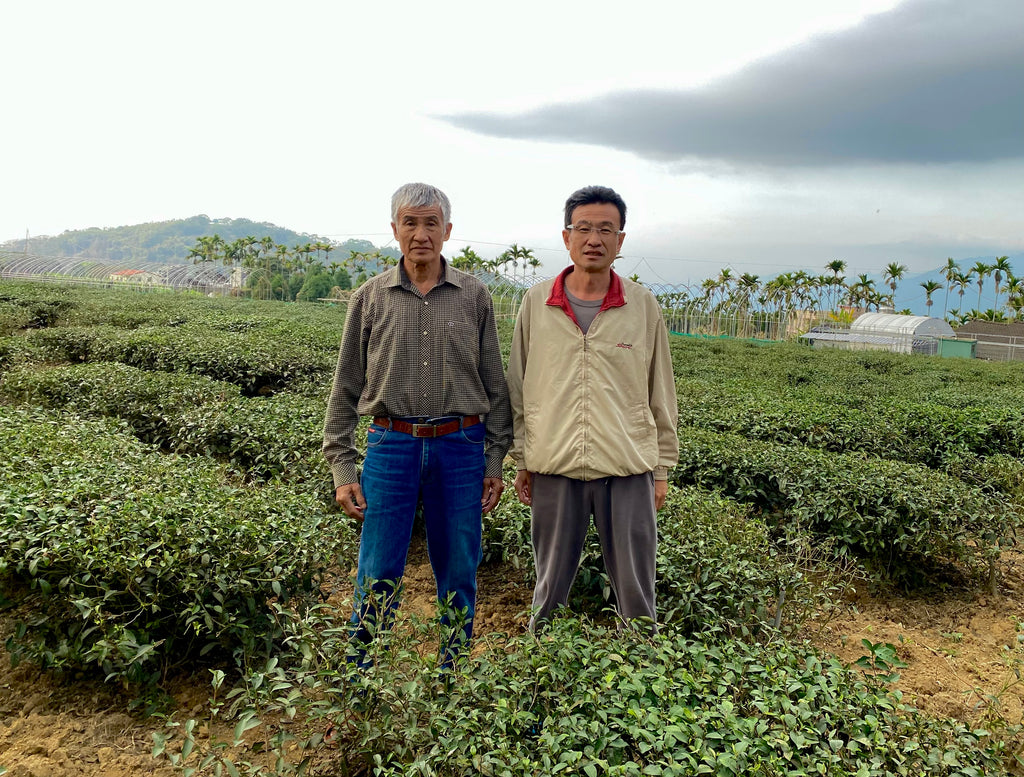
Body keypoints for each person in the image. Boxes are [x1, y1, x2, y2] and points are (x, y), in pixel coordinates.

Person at [322, 182, 512, 661]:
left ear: (447, 231)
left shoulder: (475, 296)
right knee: (378, 567)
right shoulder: (369, 298)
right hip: (391, 445)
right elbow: (345, 386)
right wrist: (343, 469)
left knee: (458, 568)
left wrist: (494, 459)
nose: (420, 233)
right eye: (410, 222)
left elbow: (496, 386)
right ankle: (362, 677)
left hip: (461, 447)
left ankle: (450, 674)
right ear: (394, 230)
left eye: (431, 223)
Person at [507, 185, 678, 631]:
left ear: (621, 240)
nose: (594, 239)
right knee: (549, 587)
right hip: (555, 464)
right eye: (583, 228)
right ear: (566, 237)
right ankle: (541, 668)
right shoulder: (537, 303)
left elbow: (660, 391)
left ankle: (643, 665)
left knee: (637, 591)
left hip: (626, 467)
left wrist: (660, 468)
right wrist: (523, 457)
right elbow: (519, 387)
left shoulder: (641, 306)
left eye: (606, 229)